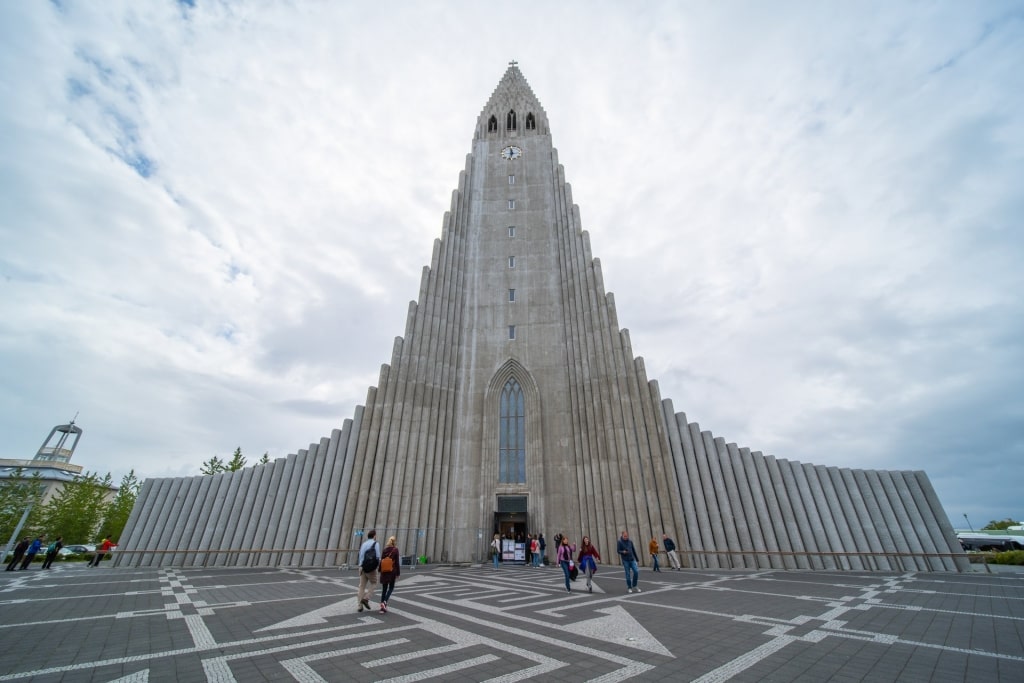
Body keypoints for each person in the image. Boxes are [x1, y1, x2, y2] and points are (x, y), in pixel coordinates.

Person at [356, 530, 381, 612]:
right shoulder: (375, 543)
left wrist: (360, 565)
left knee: (361, 586)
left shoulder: (364, 544)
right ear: (374, 536)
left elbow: (360, 555)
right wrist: (378, 566)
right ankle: (366, 598)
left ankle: (359, 606)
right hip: (371, 568)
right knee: (374, 582)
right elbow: (377, 556)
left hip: (362, 567)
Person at [378, 535, 401, 613]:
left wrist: (380, 570)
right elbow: (397, 562)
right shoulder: (395, 550)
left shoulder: (385, 550)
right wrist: (398, 573)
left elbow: (382, 560)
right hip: (392, 571)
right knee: (391, 588)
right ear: (395, 542)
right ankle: (384, 602)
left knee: (384, 589)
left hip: (384, 571)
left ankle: (382, 608)